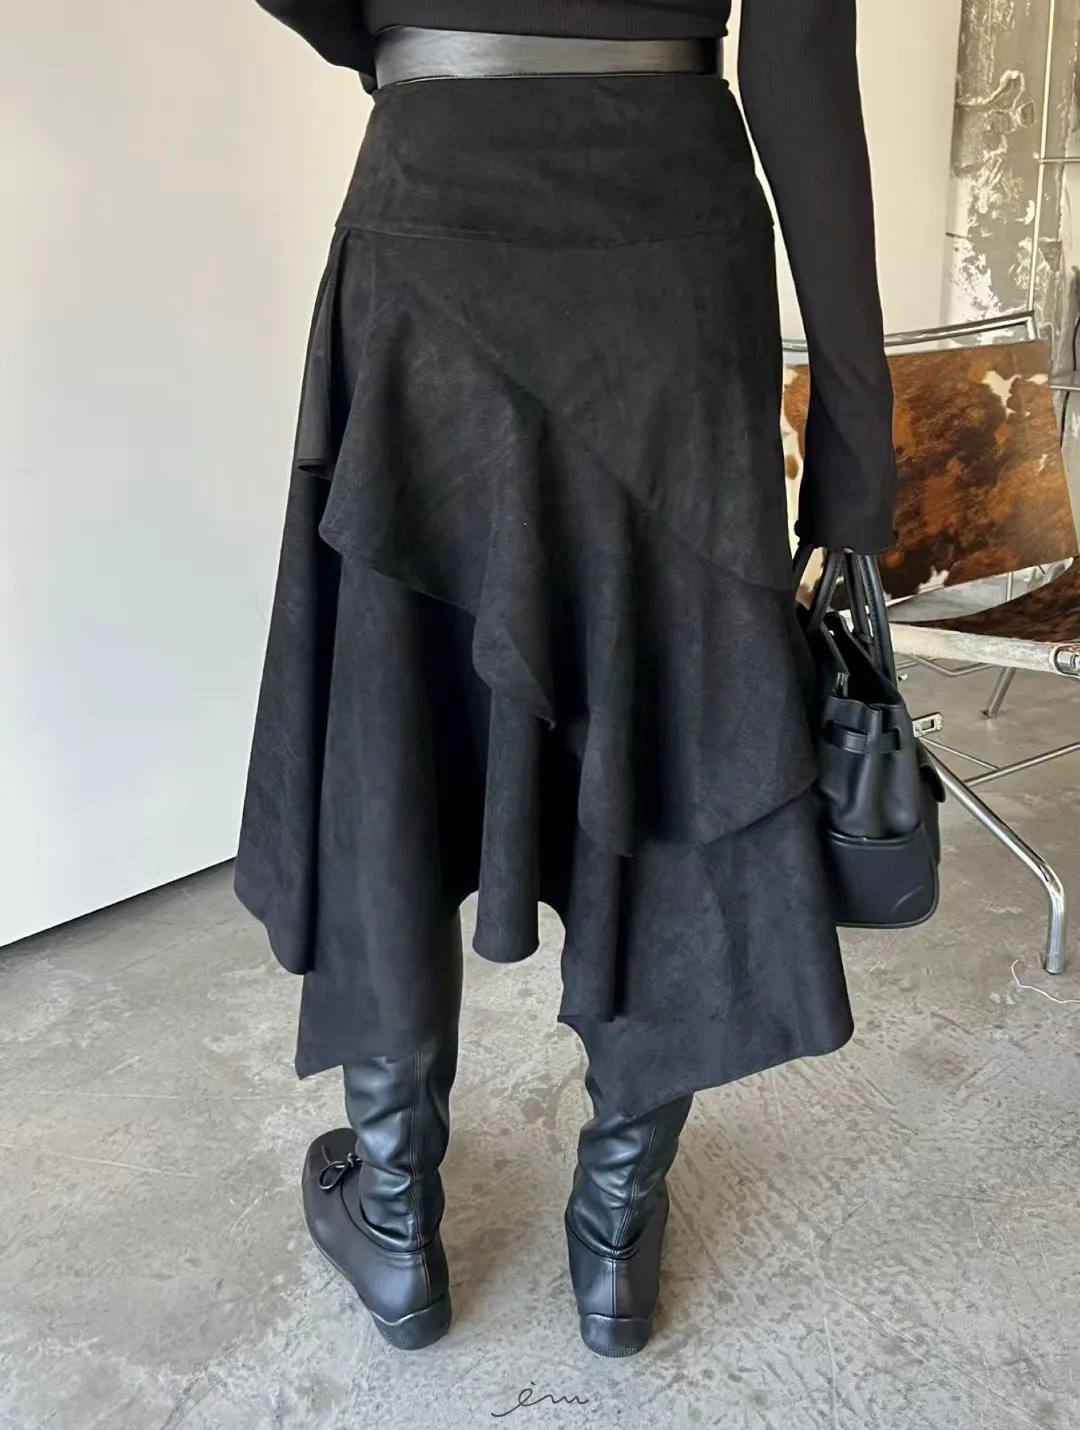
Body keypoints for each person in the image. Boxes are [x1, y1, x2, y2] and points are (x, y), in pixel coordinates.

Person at [235, 0, 897, 1357]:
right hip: (669, 237)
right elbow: (799, 65)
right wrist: (856, 433)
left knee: (392, 713)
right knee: (677, 709)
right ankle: (614, 1234)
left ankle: (395, 1216)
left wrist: (395, 32)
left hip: (435, 211)